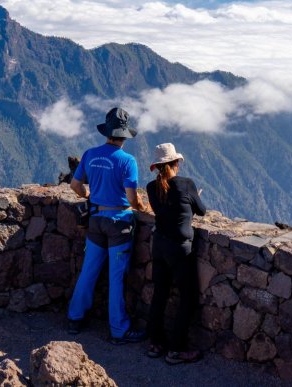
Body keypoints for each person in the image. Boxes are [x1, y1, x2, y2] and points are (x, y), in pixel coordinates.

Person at [67, 107, 150, 344]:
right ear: (124, 135)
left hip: (95, 220)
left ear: (107, 132)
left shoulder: (90, 154)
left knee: (89, 271)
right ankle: (118, 329)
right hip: (119, 223)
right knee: (117, 277)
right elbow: (133, 198)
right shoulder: (128, 161)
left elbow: (75, 185)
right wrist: (142, 208)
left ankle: (75, 317)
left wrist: (88, 195)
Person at [145, 142, 206, 364]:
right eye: (177, 162)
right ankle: (176, 349)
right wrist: (192, 198)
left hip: (159, 245)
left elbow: (163, 209)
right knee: (187, 297)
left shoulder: (151, 188)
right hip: (180, 249)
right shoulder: (186, 184)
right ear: (174, 163)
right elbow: (202, 210)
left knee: (160, 293)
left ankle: (155, 343)